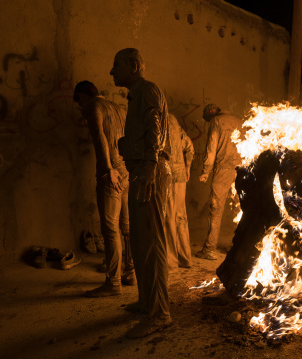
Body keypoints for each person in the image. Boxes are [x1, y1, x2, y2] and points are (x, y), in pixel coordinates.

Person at [110, 48, 172, 338]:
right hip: (141, 170)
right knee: (140, 240)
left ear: (134, 66)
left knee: (152, 241)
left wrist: (149, 165)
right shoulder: (137, 94)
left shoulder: (147, 90)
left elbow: (155, 130)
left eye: (116, 66)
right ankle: (146, 302)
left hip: (150, 172)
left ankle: (159, 314)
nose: (112, 72)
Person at [73, 81, 136, 297]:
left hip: (112, 171)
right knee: (126, 226)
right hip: (126, 168)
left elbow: (99, 136)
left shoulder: (92, 107)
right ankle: (131, 272)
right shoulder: (118, 108)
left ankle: (113, 283)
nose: (80, 109)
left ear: (82, 97)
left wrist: (108, 168)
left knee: (110, 229)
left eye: (78, 103)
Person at [196, 104, 241, 260]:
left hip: (223, 169)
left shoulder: (216, 122)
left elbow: (211, 148)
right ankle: (239, 247)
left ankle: (209, 249)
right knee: (239, 209)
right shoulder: (238, 121)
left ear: (211, 112)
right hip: (241, 169)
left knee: (215, 209)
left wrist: (205, 171)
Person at [166, 114, 195, 269]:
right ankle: (186, 259)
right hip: (180, 175)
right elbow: (190, 146)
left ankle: (170, 262)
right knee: (180, 217)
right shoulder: (173, 120)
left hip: (167, 176)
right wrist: (187, 167)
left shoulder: (155, 118)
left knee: (168, 219)